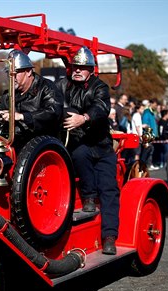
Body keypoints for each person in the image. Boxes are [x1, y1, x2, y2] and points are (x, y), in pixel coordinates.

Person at [56, 46, 117, 255]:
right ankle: (88, 197)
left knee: (109, 190)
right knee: (79, 154)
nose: (78, 70)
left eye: (83, 67)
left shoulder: (100, 87)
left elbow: (101, 107)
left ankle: (110, 237)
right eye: (75, 66)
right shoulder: (63, 86)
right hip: (78, 143)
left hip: (101, 145)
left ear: (91, 69)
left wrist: (83, 118)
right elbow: (51, 101)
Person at [0, 49, 63, 148]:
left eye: (15, 73)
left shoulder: (46, 87)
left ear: (28, 72)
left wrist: (22, 116)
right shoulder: (8, 94)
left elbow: (53, 112)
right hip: (15, 141)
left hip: (43, 143)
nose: (11, 77)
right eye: (9, 73)